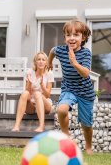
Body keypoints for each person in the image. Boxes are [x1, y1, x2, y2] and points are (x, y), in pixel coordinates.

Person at [47, 19, 96, 155]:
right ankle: (66, 136)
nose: (72, 38)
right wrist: (49, 61)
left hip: (85, 92)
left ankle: (88, 145)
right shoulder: (61, 50)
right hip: (69, 88)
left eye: (76, 35)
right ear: (65, 38)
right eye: (68, 35)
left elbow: (86, 73)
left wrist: (74, 62)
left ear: (83, 37)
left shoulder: (86, 53)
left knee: (86, 124)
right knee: (61, 110)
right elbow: (52, 51)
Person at [12, 51, 54, 132]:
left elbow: (48, 95)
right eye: (38, 59)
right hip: (31, 106)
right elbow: (27, 92)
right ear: (35, 62)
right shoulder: (30, 72)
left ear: (46, 62)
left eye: (43, 60)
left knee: (38, 94)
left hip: (45, 104)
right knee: (24, 93)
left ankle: (41, 126)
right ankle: (16, 126)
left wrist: (42, 86)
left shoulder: (49, 73)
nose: (41, 62)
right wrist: (30, 84)